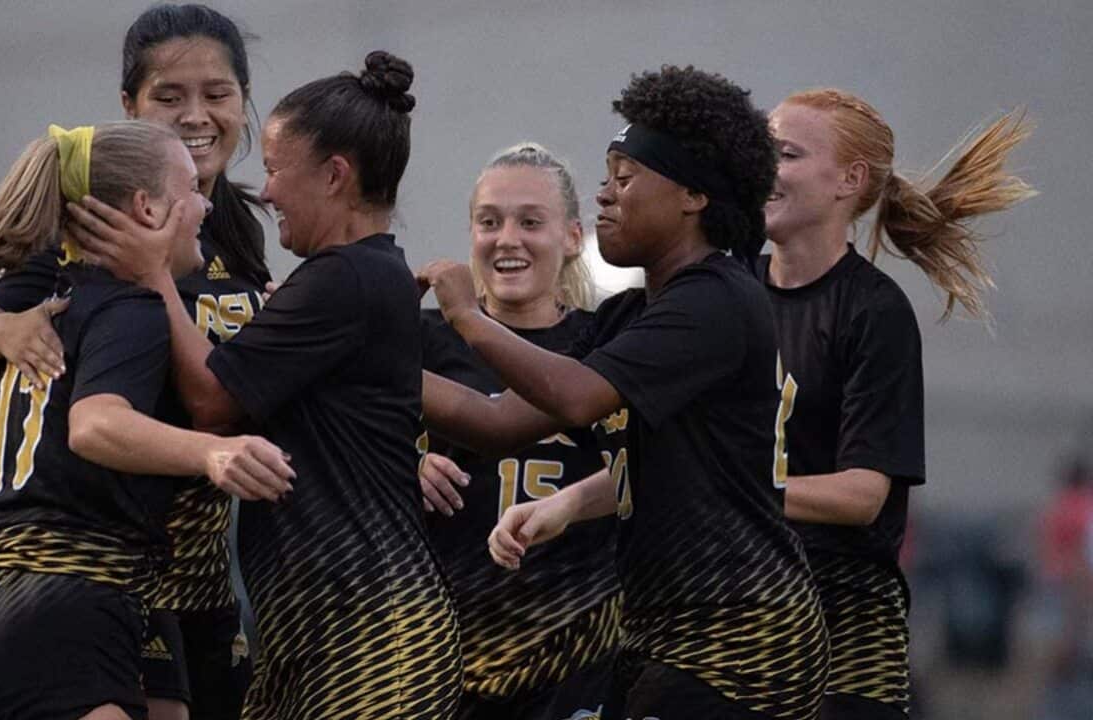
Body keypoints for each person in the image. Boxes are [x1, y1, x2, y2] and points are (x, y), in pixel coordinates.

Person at [421, 65, 828, 720]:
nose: (606, 196)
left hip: (739, 644)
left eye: (624, 179)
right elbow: (495, 421)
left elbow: (575, 398)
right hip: (669, 638)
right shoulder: (642, 312)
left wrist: (468, 318)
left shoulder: (715, 301)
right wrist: (365, 362)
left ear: (692, 195)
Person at [68, 51, 463, 720]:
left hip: (373, 636)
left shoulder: (343, 279)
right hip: (323, 634)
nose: (267, 190)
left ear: (336, 175)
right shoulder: (350, 280)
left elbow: (213, 401)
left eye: (278, 170)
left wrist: (155, 276)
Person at [0, 5, 270, 719]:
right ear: (130, 108)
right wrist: (5, 331)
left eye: (217, 94)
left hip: (201, 583)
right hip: (113, 579)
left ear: (244, 100)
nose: (196, 115)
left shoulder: (234, 230)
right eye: (169, 97)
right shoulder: (87, 254)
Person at [758, 88, 1035, 719]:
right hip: (743, 605)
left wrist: (741, 486)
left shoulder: (873, 312)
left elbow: (861, 496)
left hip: (840, 626)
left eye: (789, 153)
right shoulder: (730, 295)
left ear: (848, 181)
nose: (766, 166)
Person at [418, 142, 618, 720]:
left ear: (574, 237)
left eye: (531, 222)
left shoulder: (606, 340)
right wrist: (401, 461)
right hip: (443, 653)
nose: (508, 238)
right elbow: (331, 445)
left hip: (575, 649)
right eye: (490, 221)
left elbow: (651, 466)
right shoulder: (422, 339)